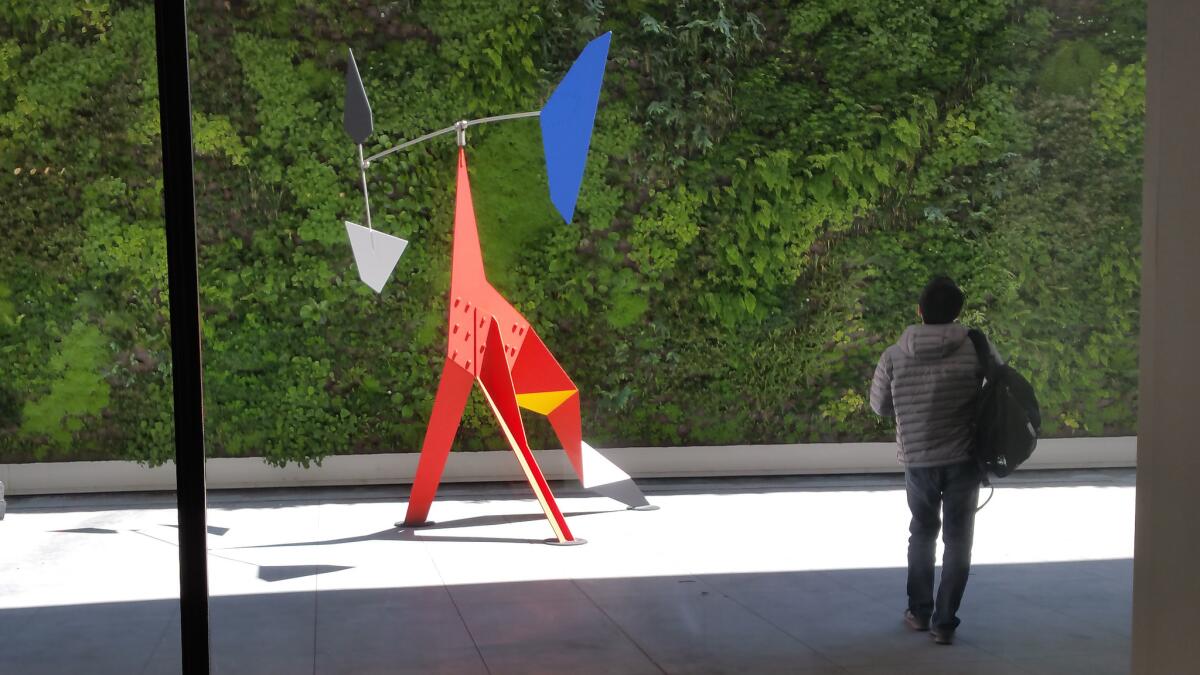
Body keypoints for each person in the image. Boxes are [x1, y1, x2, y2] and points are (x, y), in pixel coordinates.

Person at [869, 276, 997, 645]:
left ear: (919, 311)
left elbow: (879, 406)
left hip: (918, 459)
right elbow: (999, 390)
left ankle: (920, 611)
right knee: (959, 539)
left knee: (922, 532)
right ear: (958, 312)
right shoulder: (977, 348)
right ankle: (945, 622)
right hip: (964, 458)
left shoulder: (894, 354)